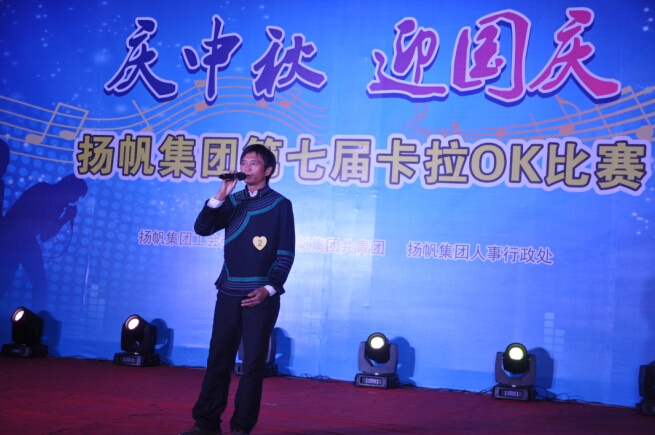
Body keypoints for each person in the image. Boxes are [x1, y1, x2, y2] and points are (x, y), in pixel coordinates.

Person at [181, 144, 295, 435]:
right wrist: (222, 193)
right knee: (218, 360)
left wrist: (269, 289)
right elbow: (202, 228)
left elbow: (285, 254)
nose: (246, 167)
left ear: (268, 170)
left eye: (253, 163)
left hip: (259, 296)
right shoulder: (233, 200)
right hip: (228, 291)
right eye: (244, 162)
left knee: (253, 365)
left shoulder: (280, 204)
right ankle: (205, 424)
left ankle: (241, 428)